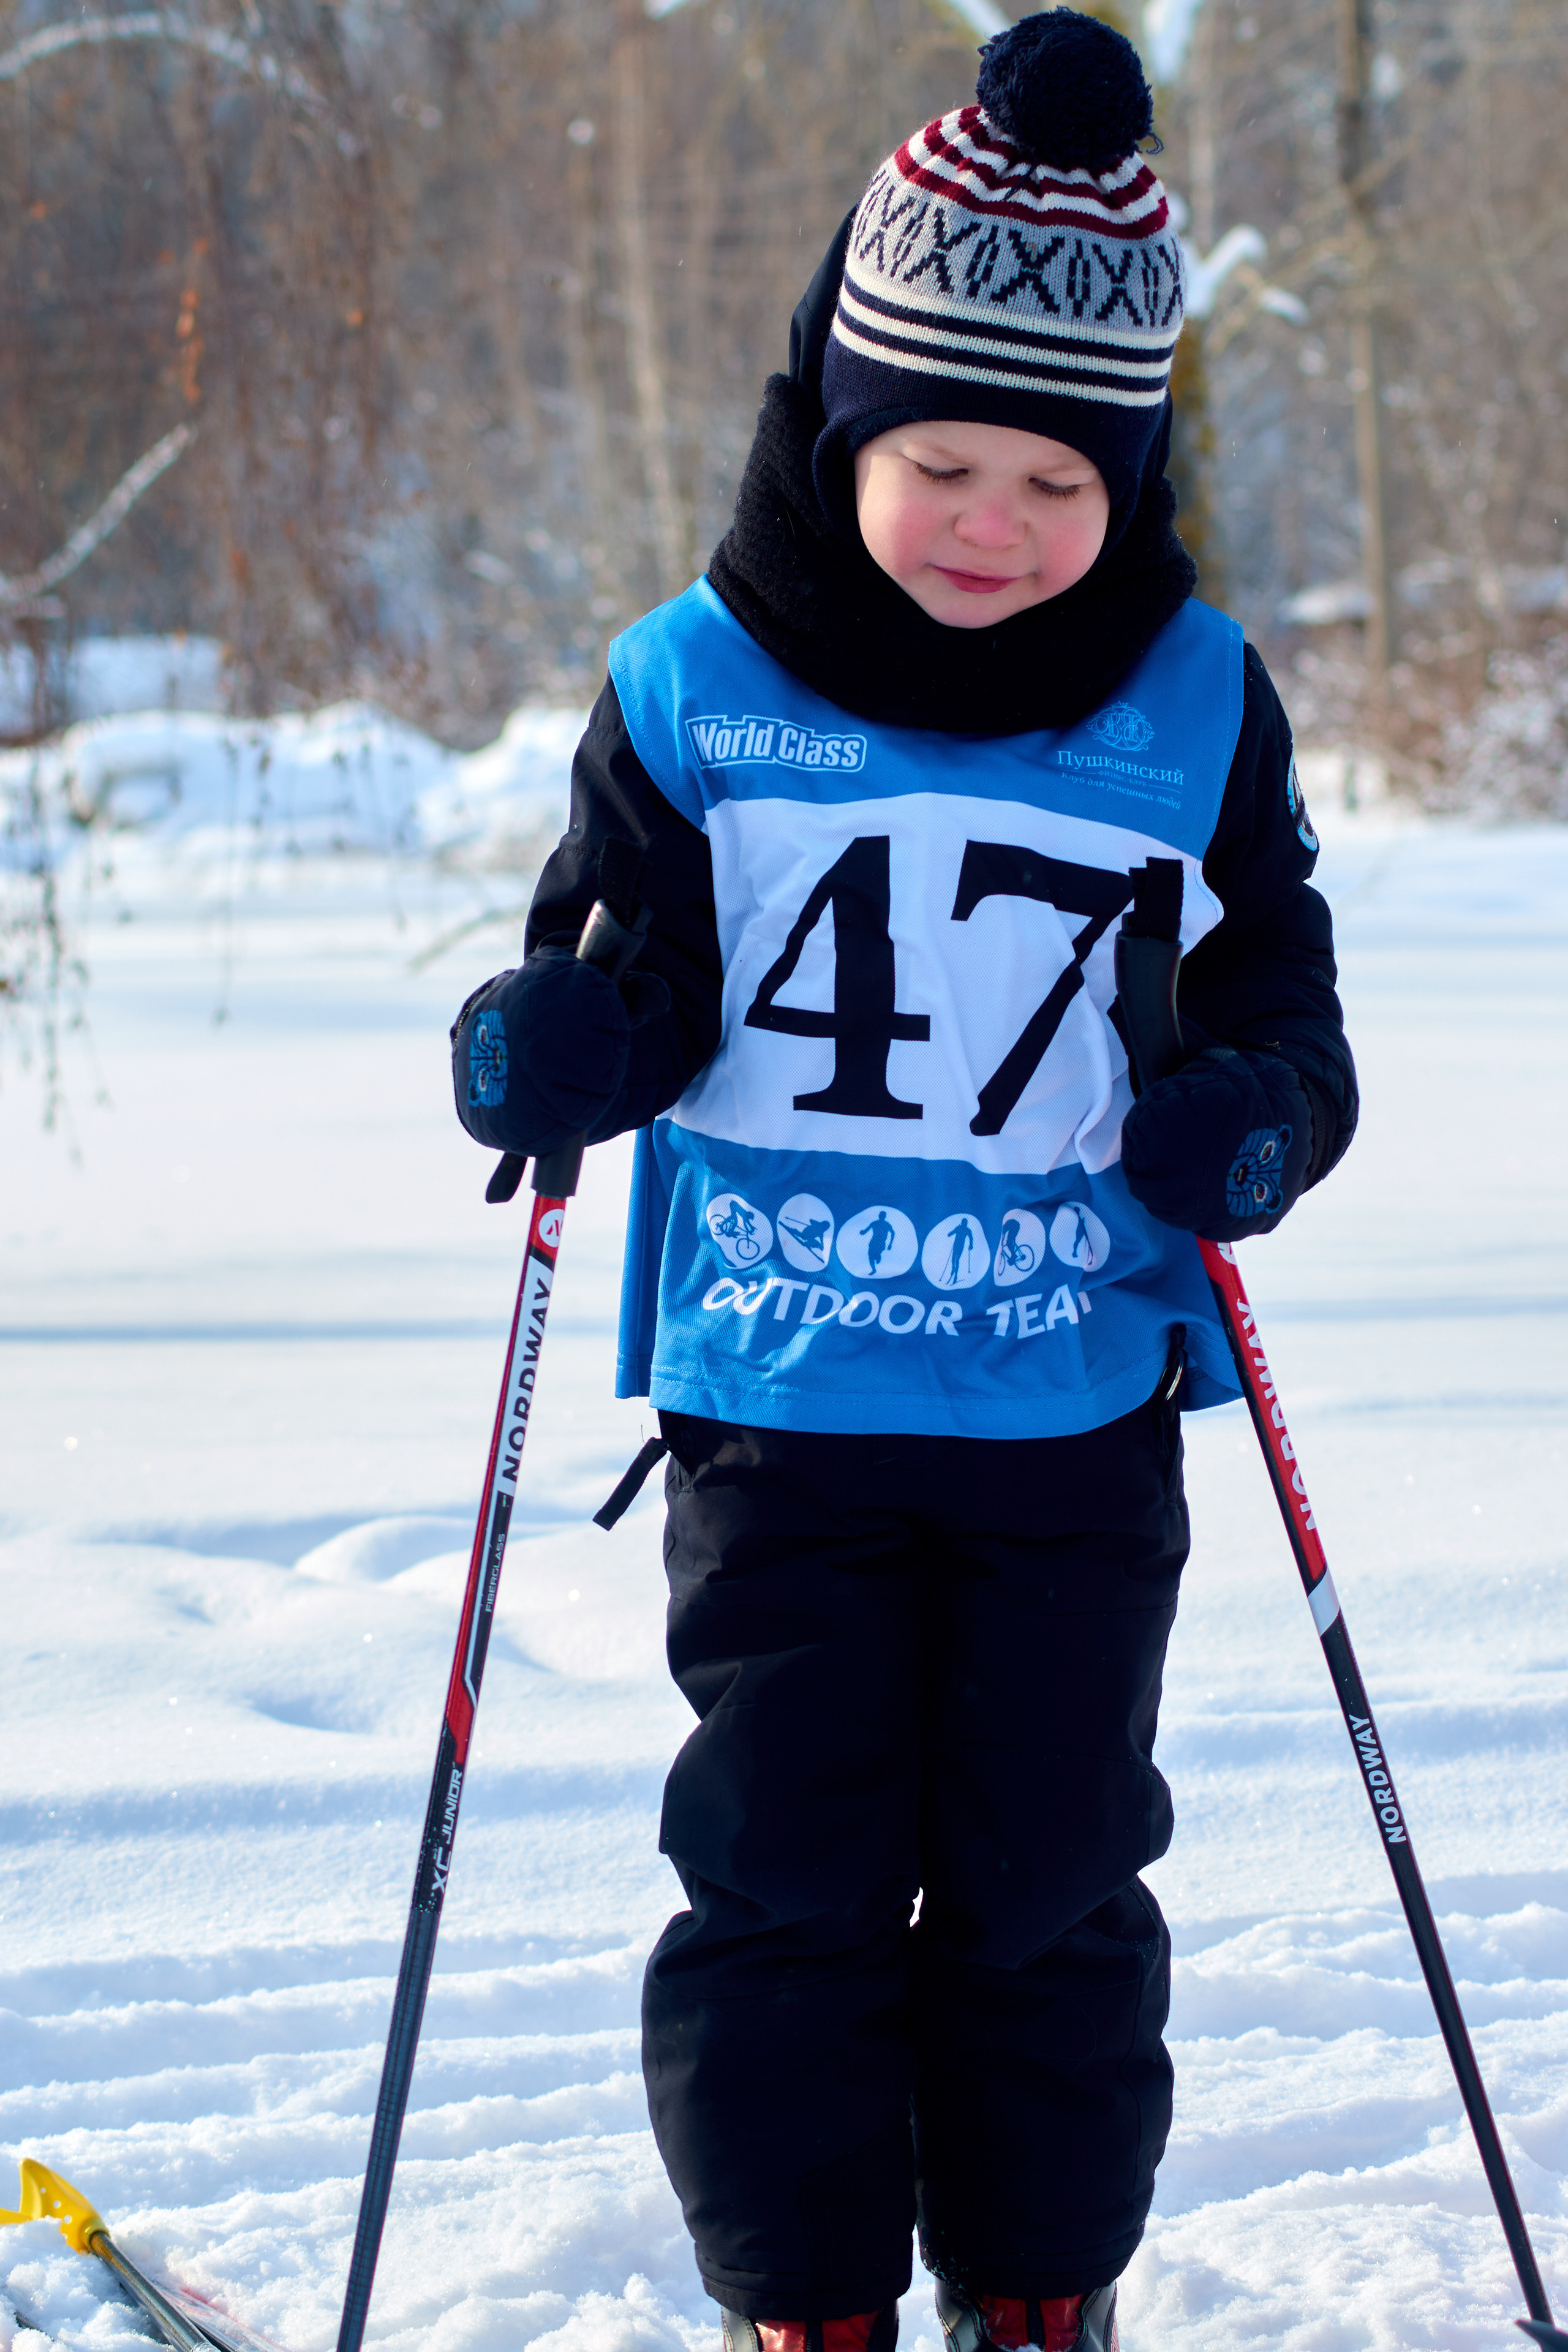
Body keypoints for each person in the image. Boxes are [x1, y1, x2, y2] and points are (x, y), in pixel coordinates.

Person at [448, 14, 1357, 2352]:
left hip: (1066, 1423)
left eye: (1062, 488)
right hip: (782, 1414)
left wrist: (1244, 1121)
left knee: (1052, 1892)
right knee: (784, 1887)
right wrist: (546, 1049)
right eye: (944, 459)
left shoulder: (1190, 702)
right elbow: (621, 981)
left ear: (1132, 487)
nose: (997, 526)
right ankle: (809, 2307)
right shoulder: (694, 688)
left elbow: (1297, 1027)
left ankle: (1039, 2296)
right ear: (844, 426)